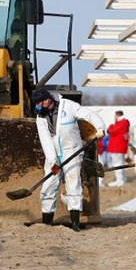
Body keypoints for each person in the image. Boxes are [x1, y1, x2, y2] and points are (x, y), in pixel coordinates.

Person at [31, 88, 105, 232]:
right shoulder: (40, 117)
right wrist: (52, 161)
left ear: (47, 99)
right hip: (53, 153)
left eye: (41, 102)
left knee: (73, 183)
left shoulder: (68, 106)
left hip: (71, 149)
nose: (39, 106)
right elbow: (45, 139)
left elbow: (89, 115)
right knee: (49, 185)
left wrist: (100, 127)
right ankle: (47, 223)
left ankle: (75, 223)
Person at [106, 110, 130, 187]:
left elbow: (112, 131)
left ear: (117, 115)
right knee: (119, 163)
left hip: (117, 147)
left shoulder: (121, 123)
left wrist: (110, 127)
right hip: (118, 147)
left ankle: (120, 180)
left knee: (117, 164)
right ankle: (122, 178)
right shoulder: (123, 123)